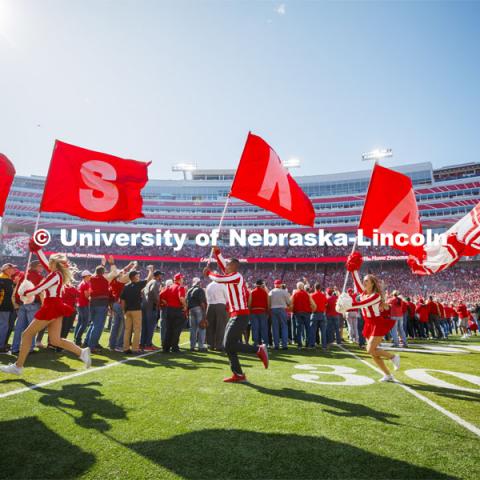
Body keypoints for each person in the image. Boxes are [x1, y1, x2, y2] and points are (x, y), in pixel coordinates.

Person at [0, 239, 91, 375]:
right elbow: (43, 261)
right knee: (55, 340)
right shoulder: (56, 273)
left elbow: (39, 288)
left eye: (50, 261)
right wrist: (37, 249)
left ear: (54, 264)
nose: (47, 263)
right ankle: (81, 352)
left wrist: (25, 292)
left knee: (26, 334)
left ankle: (18, 367)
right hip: (56, 305)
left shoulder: (54, 275)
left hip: (51, 306)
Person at [203, 247, 268, 382]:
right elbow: (222, 266)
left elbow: (219, 279)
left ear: (233, 266)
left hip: (240, 315)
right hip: (235, 315)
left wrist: (208, 273)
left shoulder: (236, 276)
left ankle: (258, 350)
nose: (225, 266)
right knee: (228, 345)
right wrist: (217, 252)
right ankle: (238, 374)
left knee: (229, 344)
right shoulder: (230, 274)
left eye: (228, 264)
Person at [337, 252, 399, 382]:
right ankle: (388, 375)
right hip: (368, 323)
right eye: (364, 281)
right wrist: (352, 268)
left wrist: (346, 305)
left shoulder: (375, 296)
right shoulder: (363, 292)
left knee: (370, 348)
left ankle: (392, 356)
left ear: (372, 284)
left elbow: (362, 303)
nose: (364, 283)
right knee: (372, 351)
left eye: (367, 281)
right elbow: (356, 280)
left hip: (377, 323)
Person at [84, 257, 118, 352]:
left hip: (93, 303)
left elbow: (96, 272)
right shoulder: (105, 278)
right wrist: (112, 264)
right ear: (103, 273)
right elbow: (114, 273)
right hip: (101, 304)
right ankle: (91, 346)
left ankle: (87, 342)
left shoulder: (92, 278)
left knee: (93, 324)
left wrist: (102, 264)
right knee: (98, 326)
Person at [10, 260, 44, 355]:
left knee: (19, 327)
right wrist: (43, 305)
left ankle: (15, 348)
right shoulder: (39, 277)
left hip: (22, 303)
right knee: (31, 328)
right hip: (33, 303)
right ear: (36, 266)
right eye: (40, 266)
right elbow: (41, 293)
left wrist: (16, 303)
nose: (41, 268)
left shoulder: (23, 275)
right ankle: (30, 348)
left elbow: (17, 290)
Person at [120, 266, 154, 354]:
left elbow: (122, 300)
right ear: (134, 277)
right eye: (137, 275)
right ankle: (135, 348)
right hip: (136, 310)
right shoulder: (138, 284)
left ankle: (125, 348)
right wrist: (150, 270)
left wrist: (123, 310)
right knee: (137, 329)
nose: (138, 276)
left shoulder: (126, 286)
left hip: (128, 311)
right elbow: (149, 278)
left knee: (127, 330)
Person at [162, 273, 187, 353]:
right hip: (177, 310)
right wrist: (185, 306)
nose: (183, 280)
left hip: (169, 309)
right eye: (182, 278)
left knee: (169, 329)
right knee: (176, 330)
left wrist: (166, 303)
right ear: (179, 279)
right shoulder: (180, 287)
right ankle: (174, 347)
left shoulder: (169, 287)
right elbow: (181, 298)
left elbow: (161, 296)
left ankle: (166, 348)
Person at [141, 270, 163, 350]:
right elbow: (153, 291)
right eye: (161, 275)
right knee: (150, 326)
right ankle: (148, 344)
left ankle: (142, 343)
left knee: (144, 326)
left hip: (145, 305)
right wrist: (157, 301)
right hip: (151, 306)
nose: (161, 277)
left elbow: (143, 291)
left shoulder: (149, 282)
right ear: (158, 276)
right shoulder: (155, 282)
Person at [205, 279, 229, 351]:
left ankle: (210, 344)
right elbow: (227, 296)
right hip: (220, 305)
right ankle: (219, 345)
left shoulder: (208, 285)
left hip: (210, 306)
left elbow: (207, 297)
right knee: (221, 326)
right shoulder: (221, 285)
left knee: (210, 326)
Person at [291, 282, 315, 348]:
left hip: (298, 313)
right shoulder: (307, 294)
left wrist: (292, 310)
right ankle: (308, 344)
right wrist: (312, 310)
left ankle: (299, 344)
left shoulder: (295, 294)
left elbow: (290, 303)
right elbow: (313, 304)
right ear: (303, 287)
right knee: (307, 328)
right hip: (307, 313)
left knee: (298, 328)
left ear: (297, 287)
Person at [186, 277, 207, 351]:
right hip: (198, 309)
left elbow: (186, 302)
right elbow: (202, 302)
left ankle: (192, 346)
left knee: (193, 329)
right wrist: (204, 314)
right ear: (199, 283)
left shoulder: (189, 290)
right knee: (202, 328)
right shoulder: (200, 290)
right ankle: (201, 346)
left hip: (191, 310)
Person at [269, 279, 291, 350]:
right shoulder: (284, 292)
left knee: (275, 328)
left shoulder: (271, 292)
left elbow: (269, 303)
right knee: (284, 327)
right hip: (282, 309)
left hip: (273, 309)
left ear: (274, 285)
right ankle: (284, 345)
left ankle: (276, 345)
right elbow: (289, 303)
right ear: (281, 284)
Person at [0, 263, 16, 353]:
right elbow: (9, 294)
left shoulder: (7, 279)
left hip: (6, 306)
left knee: (4, 326)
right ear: (7, 269)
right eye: (12, 268)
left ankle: (3, 344)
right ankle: (1, 346)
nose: (14, 270)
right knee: (3, 326)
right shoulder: (3, 279)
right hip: (4, 306)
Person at [249, 279, 269, 348]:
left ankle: (256, 342)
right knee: (264, 328)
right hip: (263, 311)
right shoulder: (265, 292)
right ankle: (265, 343)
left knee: (255, 328)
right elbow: (268, 303)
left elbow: (249, 303)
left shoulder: (252, 292)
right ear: (261, 285)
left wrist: (249, 311)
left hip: (254, 311)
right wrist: (268, 311)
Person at [74, 270, 92, 346]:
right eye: (89, 276)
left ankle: (76, 338)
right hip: (84, 304)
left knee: (80, 322)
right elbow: (87, 296)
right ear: (86, 276)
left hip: (80, 304)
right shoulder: (85, 284)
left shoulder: (81, 283)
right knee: (84, 323)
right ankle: (78, 339)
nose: (90, 277)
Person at [310, 283, 328, 350]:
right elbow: (326, 303)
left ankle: (312, 345)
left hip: (314, 314)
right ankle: (324, 346)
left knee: (313, 331)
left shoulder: (312, 295)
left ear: (314, 288)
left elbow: (310, 304)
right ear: (320, 288)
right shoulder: (323, 295)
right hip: (322, 314)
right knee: (323, 332)